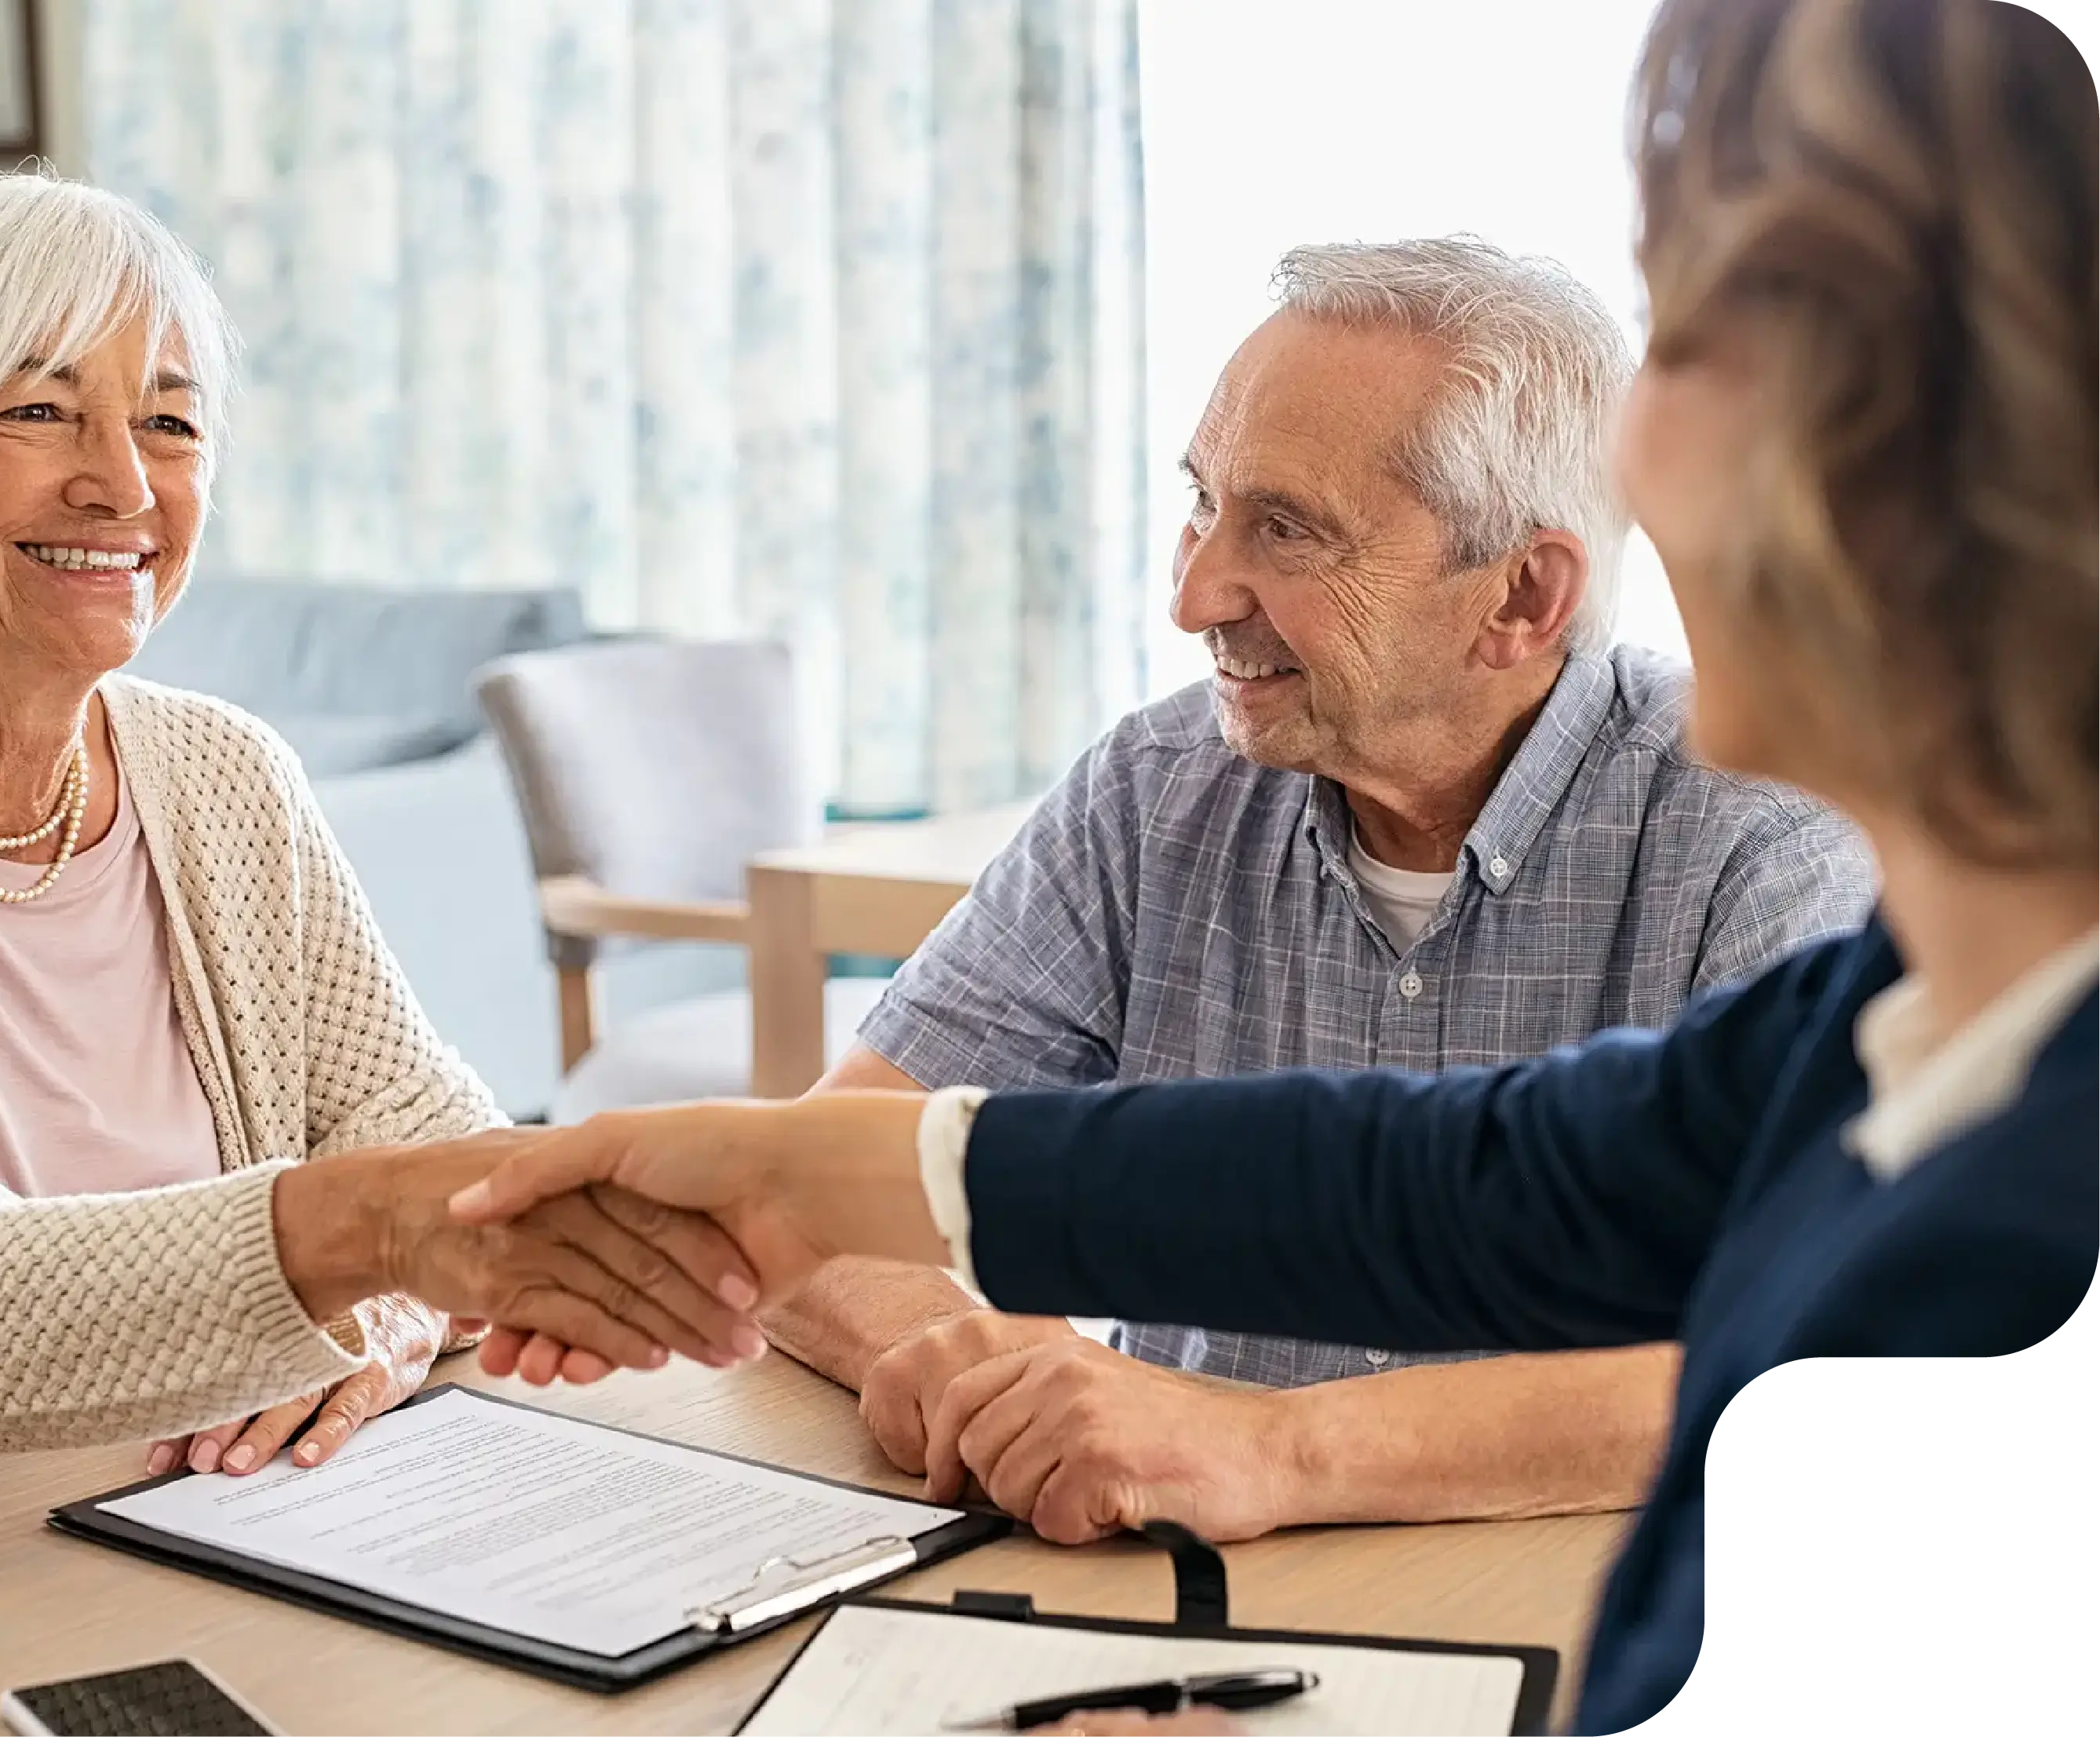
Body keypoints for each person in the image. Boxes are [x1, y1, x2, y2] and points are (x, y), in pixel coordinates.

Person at [439, 0, 2100, 1729]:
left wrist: (1273, 1442)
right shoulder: (1905, 1025)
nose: (1641, 447)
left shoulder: (2021, 1229)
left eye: (1698, 330)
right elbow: (1454, 1186)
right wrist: (817, 1174)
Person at [656, 240, 1878, 1544]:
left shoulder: (1765, 832)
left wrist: (1277, 1450)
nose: (1193, 596)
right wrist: (975, 1360)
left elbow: (1815, 1342)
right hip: (1162, 1594)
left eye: (1285, 530)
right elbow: (826, 1181)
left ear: (1523, 594)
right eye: (1203, 503)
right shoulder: (1154, 787)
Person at [0, 170, 762, 1552]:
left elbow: (447, 1168)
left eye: (168, 422)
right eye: (40, 411)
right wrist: (363, 1241)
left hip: (219, 1538)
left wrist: (380, 1322)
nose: (122, 485)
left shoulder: (226, 776)